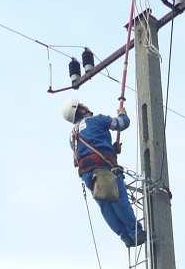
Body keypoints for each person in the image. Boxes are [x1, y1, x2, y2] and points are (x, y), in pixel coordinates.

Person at [62, 97, 147, 249]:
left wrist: (112, 150)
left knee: (106, 207)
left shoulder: (72, 136)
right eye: (83, 105)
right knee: (119, 200)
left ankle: (125, 237)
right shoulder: (96, 120)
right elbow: (122, 124)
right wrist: (122, 113)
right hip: (103, 168)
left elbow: (87, 149)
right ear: (80, 109)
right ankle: (135, 232)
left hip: (88, 175)